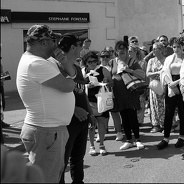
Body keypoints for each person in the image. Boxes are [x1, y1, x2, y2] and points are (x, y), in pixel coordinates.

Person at [16, 25, 75, 183]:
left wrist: (64, 61)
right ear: (43, 42)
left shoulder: (44, 60)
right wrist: (72, 79)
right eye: (53, 40)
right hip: (47, 131)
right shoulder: (36, 63)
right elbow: (68, 85)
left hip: (48, 130)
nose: (56, 44)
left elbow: (72, 74)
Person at [58, 33, 96, 184]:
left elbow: (82, 92)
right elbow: (56, 93)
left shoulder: (77, 68)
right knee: (63, 160)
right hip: (68, 121)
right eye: (80, 46)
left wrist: (90, 112)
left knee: (78, 158)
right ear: (73, 47)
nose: (82, 49)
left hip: (83, 119)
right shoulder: (60, 67)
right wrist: (73, 109)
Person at [110, 40, 146, 150]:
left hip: (131, 92)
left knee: (132, 116)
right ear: (116, 52)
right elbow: (110, 74)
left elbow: (142, 74)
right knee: (124, 117)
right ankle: (129, 140)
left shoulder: (131, 61)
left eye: (123, 51)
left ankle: (138, 140)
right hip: (118, 93)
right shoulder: (112, 62)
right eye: (119, 52)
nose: (121, 54)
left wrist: (129, 70)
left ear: (126, 51)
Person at [157, 37, 184, 149]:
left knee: (182, 113)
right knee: (169, 113)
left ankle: (181, 137)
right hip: (171, 86)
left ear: (182, 47)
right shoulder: (169, 58)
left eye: (178, 46)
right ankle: (166, 138)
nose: (176, 49)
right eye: (174, 47)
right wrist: (171, 85)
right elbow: (164, 72)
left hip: (182, 85)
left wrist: (177, 84)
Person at [82, 51, 113, 156]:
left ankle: (102, 145)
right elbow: (79, 85)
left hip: (101, 99)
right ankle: (91, 146)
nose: (92, 63)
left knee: (102, 122)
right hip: (88, 100)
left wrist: (104, 83)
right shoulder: (83, 71)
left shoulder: (103, 70)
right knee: (91, 124)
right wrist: (87, 85)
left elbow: (112, 82)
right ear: (86, 62)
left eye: (94, 61)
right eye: (90, 62)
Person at [99, 49, 123, 141]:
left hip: (111, 94)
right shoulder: (97, 67)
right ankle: (103, 132)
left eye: (107, 56)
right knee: (102, 115)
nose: (105, 58)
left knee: (114, 113)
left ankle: (119, 132)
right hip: (100, 95)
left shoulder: (111, 67)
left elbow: (115, 80)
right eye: (103, 56)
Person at [146, 42, 166, 133]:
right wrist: (158, 73)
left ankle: (165, 124)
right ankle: (156, 125)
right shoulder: (151, 61)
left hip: (164, 86)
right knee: (154, 105)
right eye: (153, 49)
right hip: (154, 87)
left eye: (155, 49)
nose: (153, 50)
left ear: (161, 50)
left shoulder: (166, 60)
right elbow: (148, 74)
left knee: (164, 105)